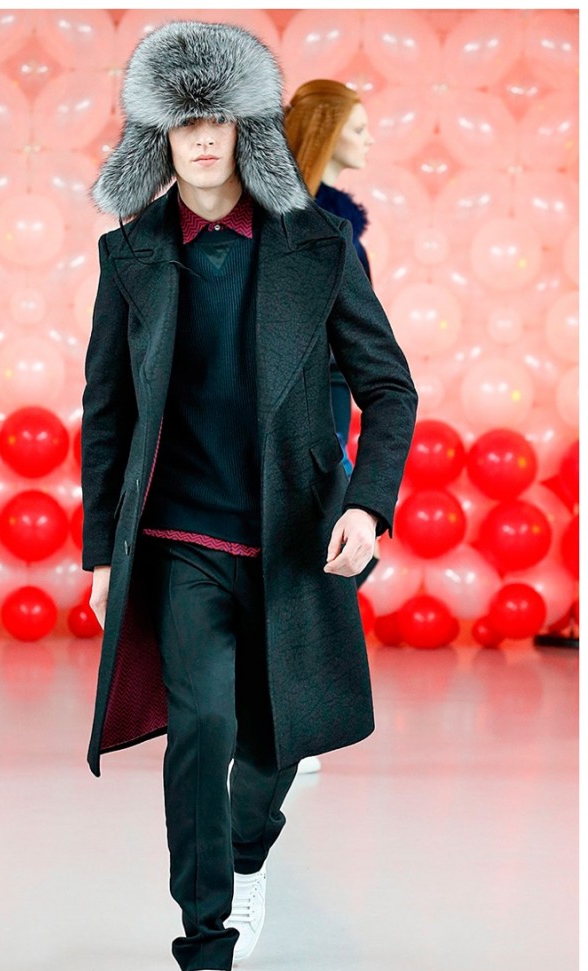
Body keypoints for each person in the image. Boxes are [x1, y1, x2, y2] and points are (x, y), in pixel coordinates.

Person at [81, 20, 418, 971]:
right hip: (178, 541)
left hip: (293, 537)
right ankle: (205, 956)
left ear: (246, 131)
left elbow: (388, 388)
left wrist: (366, 503)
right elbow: (105, 411)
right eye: (181, 123)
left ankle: (245, 853)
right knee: (203, 729)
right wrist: (101, 553)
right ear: (159, 136)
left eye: (217, 120)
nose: (200, 139)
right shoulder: (130, 255)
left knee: (277, 737)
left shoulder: (316, 246)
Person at [285, 79, 379, 775]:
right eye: (359, 127)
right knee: (308, 560)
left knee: (329, 556)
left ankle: (280, 715)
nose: (370, 140)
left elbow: (361, 336)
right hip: (289, 410)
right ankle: (273, 718)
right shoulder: (287, 220)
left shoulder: (340, 227)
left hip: (333, 403)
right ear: (326, 129)